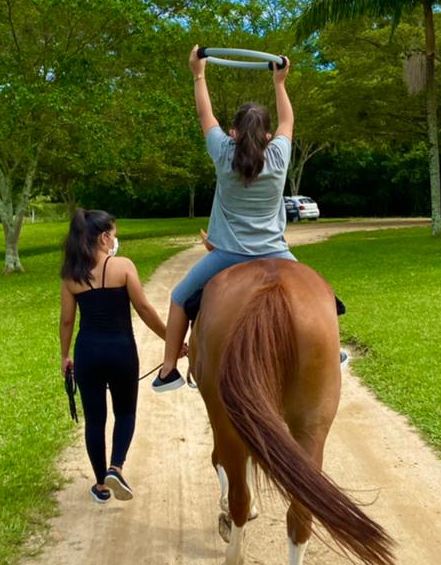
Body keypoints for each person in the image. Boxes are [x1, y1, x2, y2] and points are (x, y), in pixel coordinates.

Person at [152, 45, 298, 392]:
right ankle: (331, 349)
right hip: (276, 254)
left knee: (178, 297)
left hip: (226, 256)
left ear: (233, 133)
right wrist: (280, 83)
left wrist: (199, 74)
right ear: (266, 136)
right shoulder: (277, 155)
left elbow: (206, 117)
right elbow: (288, 121)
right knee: (321, 295)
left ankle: (169, 368)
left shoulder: (223, 153)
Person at [59, 209, 172, 502]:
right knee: (125, 412)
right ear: (104, 237)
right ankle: (116, 466)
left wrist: (64, 356)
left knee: (95, 420)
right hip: (121, 350)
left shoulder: (71, 275)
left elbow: (67, 321)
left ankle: (101, 486)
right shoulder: (122, 267)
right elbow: (144, 309)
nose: (115, 240)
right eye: (114, 234)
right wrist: (171, 340)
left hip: (88, 353)